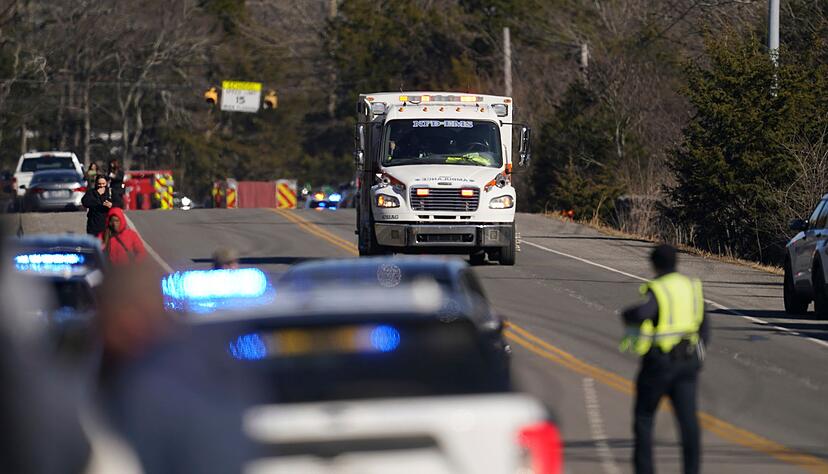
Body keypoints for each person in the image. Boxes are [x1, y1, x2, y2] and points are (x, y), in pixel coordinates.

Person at [620, 244, 709, 474]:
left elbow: (644, 313)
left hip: (660, 363)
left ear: (655, 264)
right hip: (687, 363)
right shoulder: (691, 287)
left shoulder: (659, 288)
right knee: (688, 423)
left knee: (644, 417)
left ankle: (645, 470)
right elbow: (704, 326)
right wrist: (698, 358)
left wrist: (627, 314)